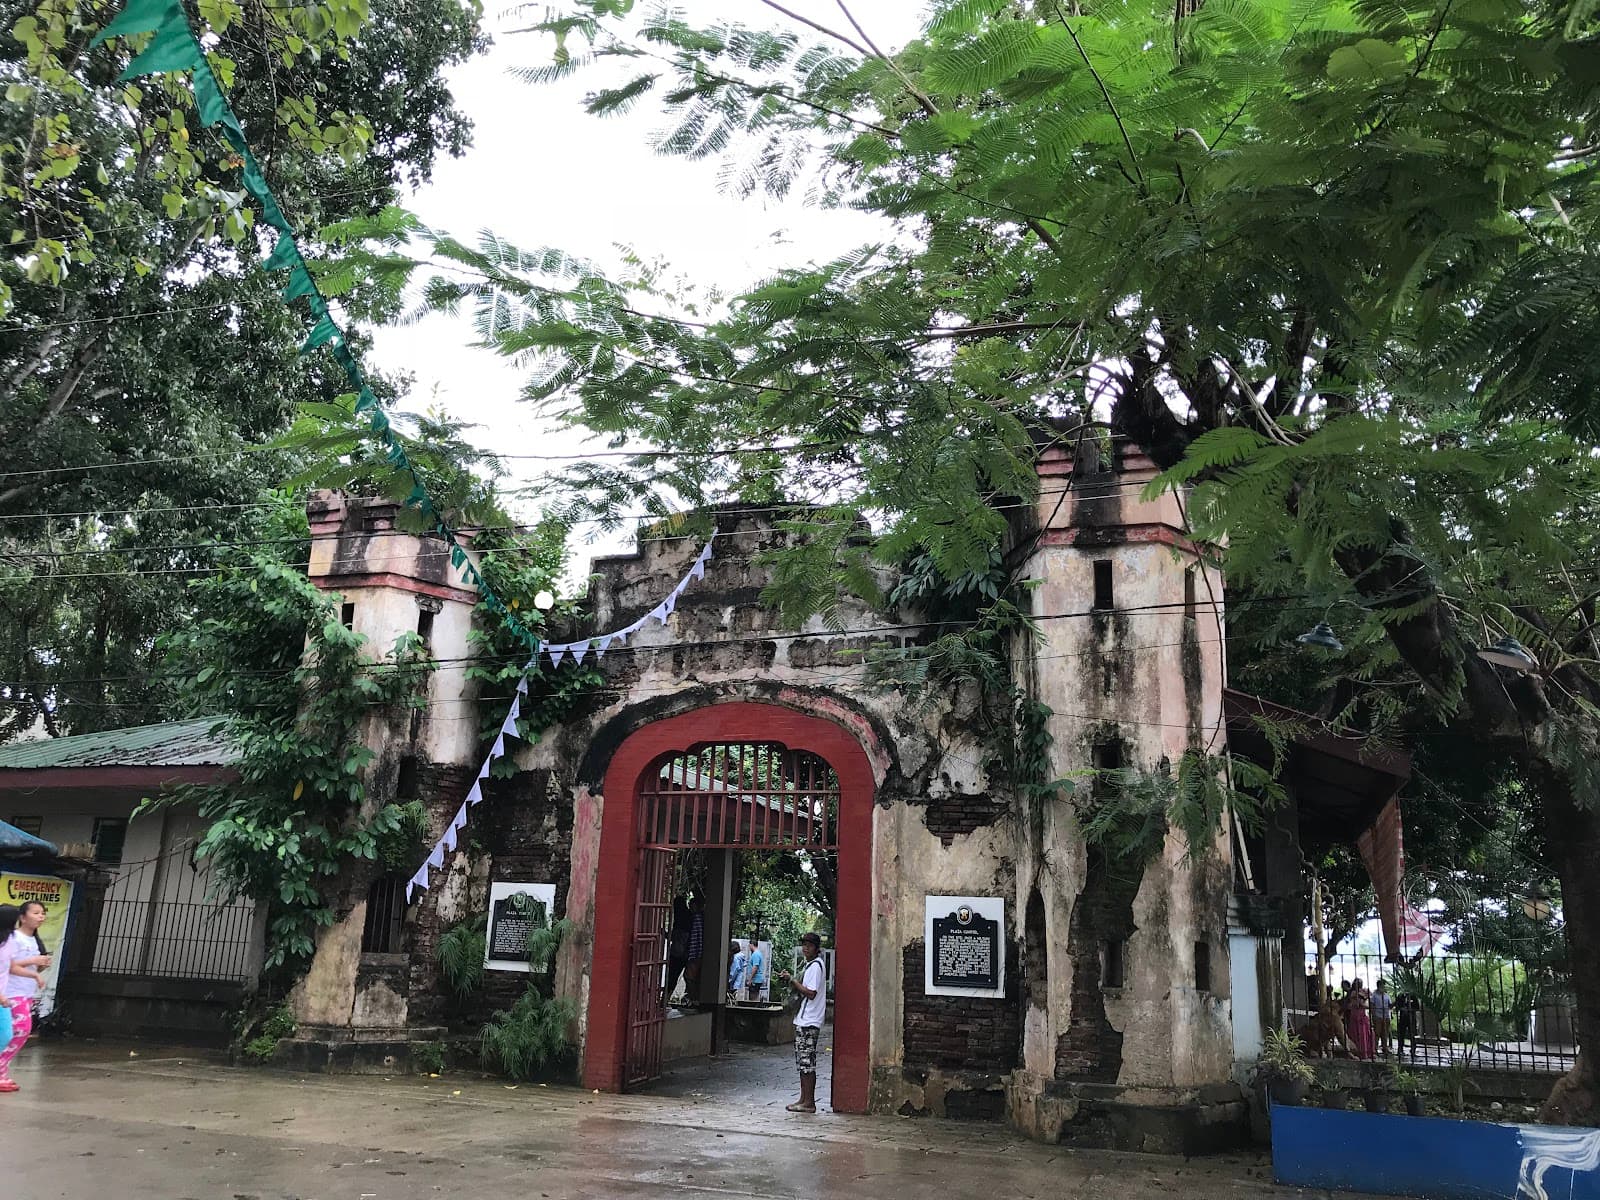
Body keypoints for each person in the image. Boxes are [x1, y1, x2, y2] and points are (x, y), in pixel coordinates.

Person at [0, 901, 50, 1091]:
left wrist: (37, 971)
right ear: (21, 918)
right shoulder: (13, 938)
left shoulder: (31, 939)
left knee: (12, 1033)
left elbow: (13, 966)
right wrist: (33, 962)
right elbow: (12, 966)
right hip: (11, 993)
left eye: (43, 913)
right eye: (36, 913)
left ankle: (2, 1070)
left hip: (24, 991)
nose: (41, 917)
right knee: (17, 1031)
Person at [778, 931, 827, 1114]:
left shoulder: (815, 966)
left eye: (809, 945)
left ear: (816, 948)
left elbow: (811, 992)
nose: (805, 948)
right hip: (805, 1018)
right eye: (804, 945)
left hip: (809, 1020)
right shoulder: (812, 965)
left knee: (807, 1062)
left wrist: (792, 980)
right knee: (803, 1062)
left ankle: (809, 1101)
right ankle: (804, 1098)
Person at [663, 895, 692, 1005]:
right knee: (675, 977)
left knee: (671, 976)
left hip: (678, 953)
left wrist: (667, 934)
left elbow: (677, 936)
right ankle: (667, 997)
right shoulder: (689, 916)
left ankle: (666, 998)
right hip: (684, 953)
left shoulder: (681, 918)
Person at [1346, 980, 1375, 1060]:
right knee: (1357, 1034)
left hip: (1361, 1015)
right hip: (1355, 1015)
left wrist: (1364, 999)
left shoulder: (1363, 991)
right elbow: (1355, 1004)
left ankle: (1367, 1052)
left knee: (1366, 1034)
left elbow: (1364, 1003)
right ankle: (1358, 1052)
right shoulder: (1353, 993)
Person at [1371, 978, 1394, 1057]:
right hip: (1378, 1016)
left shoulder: (1387, 995)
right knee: (1377, 1033)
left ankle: (1385, 1048)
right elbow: (1372, 1006)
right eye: (1383, 985)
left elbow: (1390, 1006)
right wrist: (1373, 1016)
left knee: (1385, 1033)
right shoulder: (1374, 995)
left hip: (1386, 1016)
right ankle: (1374, 1049)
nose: (1384, 987)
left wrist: (1395, 1003)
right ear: (1379, 986)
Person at [1396, 991, 1422, 1062]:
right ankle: (1400, 1049)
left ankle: (1413, 1050)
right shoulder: (1400, 996)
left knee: (1412, 1034)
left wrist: (1410, 1010)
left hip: (1411, 1019)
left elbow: (1417, 1007)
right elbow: (1397, 1006)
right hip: (1402, 1018)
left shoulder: (1413, 996)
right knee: (1401, 1034)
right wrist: (1402, 1009)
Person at [745, 939, 765, 1003]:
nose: (749, 947)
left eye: (749, 946)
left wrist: (750, 979)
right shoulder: (758, 953)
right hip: (757, 979)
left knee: (753, 998)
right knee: (755, 996)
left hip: (755, 980)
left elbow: (755, 967)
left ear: (751, 945)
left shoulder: (755, 954)